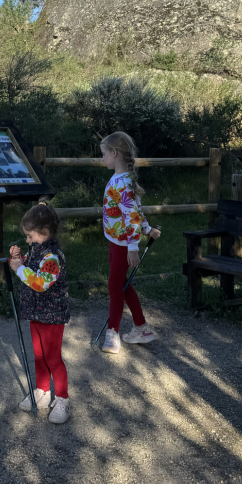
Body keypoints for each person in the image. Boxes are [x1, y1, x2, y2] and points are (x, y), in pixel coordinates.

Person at [99, 132, 161, 355]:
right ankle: (141, 327)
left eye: (104, 154)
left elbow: (132, 216)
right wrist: (147, 229)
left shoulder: (123, 183)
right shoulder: (121, 180)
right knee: (121, 284)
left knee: (115, 285)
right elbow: (135, 212)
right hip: (117, 240)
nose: (102, 158)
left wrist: (133, 247)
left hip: (124, 243)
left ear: (115, 153)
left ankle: (112, 333)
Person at [8, 203, 70, 424]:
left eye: (29, 236)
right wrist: (19, 260)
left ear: (44, 233)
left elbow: (40, 282)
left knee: (52, 357)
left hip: (52, 315)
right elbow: (30, 269)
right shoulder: (38, 249)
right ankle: (42, 392)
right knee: (39, 355)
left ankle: (62, 399)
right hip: (36, 312)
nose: (27, 241)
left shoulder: (53, 257)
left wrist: (19, 269)